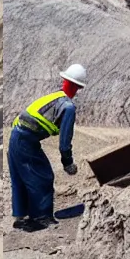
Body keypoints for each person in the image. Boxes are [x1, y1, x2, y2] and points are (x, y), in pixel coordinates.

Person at [8, 64, 85, 231]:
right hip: (25, 139)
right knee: (43, 176)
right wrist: (68, 163)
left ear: (64, 80)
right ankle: (41, 217)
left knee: (20, 177)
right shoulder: (68, 107)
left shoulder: (54, 98)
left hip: (15, 135)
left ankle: (20, 216)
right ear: (78, 87)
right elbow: (65, 141)